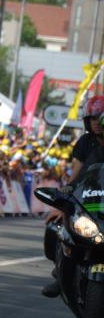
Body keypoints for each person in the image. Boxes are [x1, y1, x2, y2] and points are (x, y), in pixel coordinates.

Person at [42, 95, 104, 298]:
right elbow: (75, 176)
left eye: (100, 117)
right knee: (58, 229)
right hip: (87, 197)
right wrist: (61, 202)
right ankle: (61, 276)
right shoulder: (85, 142)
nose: (96, 122)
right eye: (92, 118)